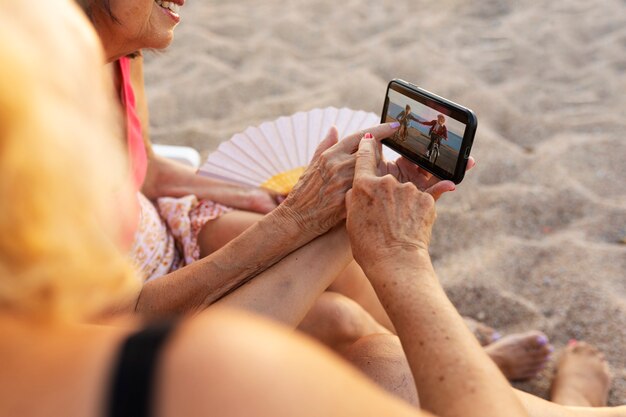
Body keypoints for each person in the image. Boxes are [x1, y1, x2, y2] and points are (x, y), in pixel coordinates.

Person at [2, 3, 624, 417]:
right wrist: (333, 229)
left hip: (149, 252)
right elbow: (125, 317)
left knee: (346, 290)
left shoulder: (109, 62)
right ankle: (518, 390)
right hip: (134, 306)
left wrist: (259, 203)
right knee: (345, 323)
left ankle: (462, 356)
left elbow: (145, 169)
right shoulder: (191, 369)